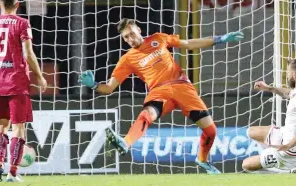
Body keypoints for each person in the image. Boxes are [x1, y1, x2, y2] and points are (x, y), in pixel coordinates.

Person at [78, 18, 244, 174]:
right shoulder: (127, 59)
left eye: (132, 34)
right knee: (147, 115)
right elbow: (109, 88)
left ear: (139, 30)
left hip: (182, 86)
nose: (130, 39)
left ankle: (202, 160)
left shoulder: (159, 38)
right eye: (126, 37)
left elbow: (188, 44)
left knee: (211, 131)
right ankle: (125, 142)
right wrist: (93, 84)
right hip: (160, 90)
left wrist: (220, 39)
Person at [0, 0, 47, 182]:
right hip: (17, 82)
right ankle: (12, 173)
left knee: (1, 125)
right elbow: (28, 53)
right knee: (18, 127)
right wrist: (39, 76)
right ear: (17, 5)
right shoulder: (22, 23)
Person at [242, 58, 296, 173]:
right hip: (285, 135)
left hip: (289, 151)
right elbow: (288, 93)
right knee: (251, 131)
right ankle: (271, 157)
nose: (286, 76)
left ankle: (287, 170)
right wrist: (268, 88)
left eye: (287, 73)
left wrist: (287, 146)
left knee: (246, 165)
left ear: (293, 75)